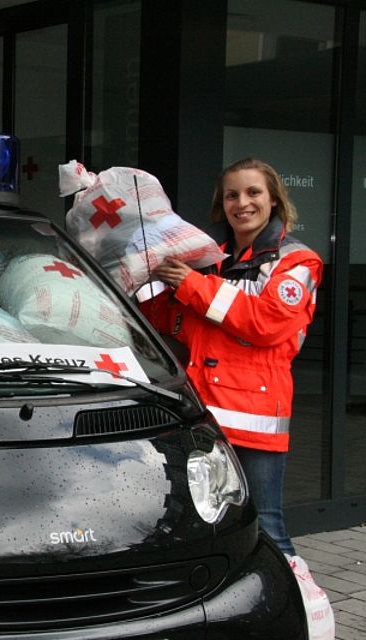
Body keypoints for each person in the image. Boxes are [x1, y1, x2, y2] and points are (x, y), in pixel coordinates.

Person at [140, 157, 323, 556]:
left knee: (266, 527)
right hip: (205, 413)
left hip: (254, 418)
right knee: (203, 524)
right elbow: (181, 327)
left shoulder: (297, 261)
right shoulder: (212, 259)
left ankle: (302, 607)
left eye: (253, 192)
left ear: (274, 199)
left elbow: (266, 323)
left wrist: (191, 284)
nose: (242, 203)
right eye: (232, 195)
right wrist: (148, 284)